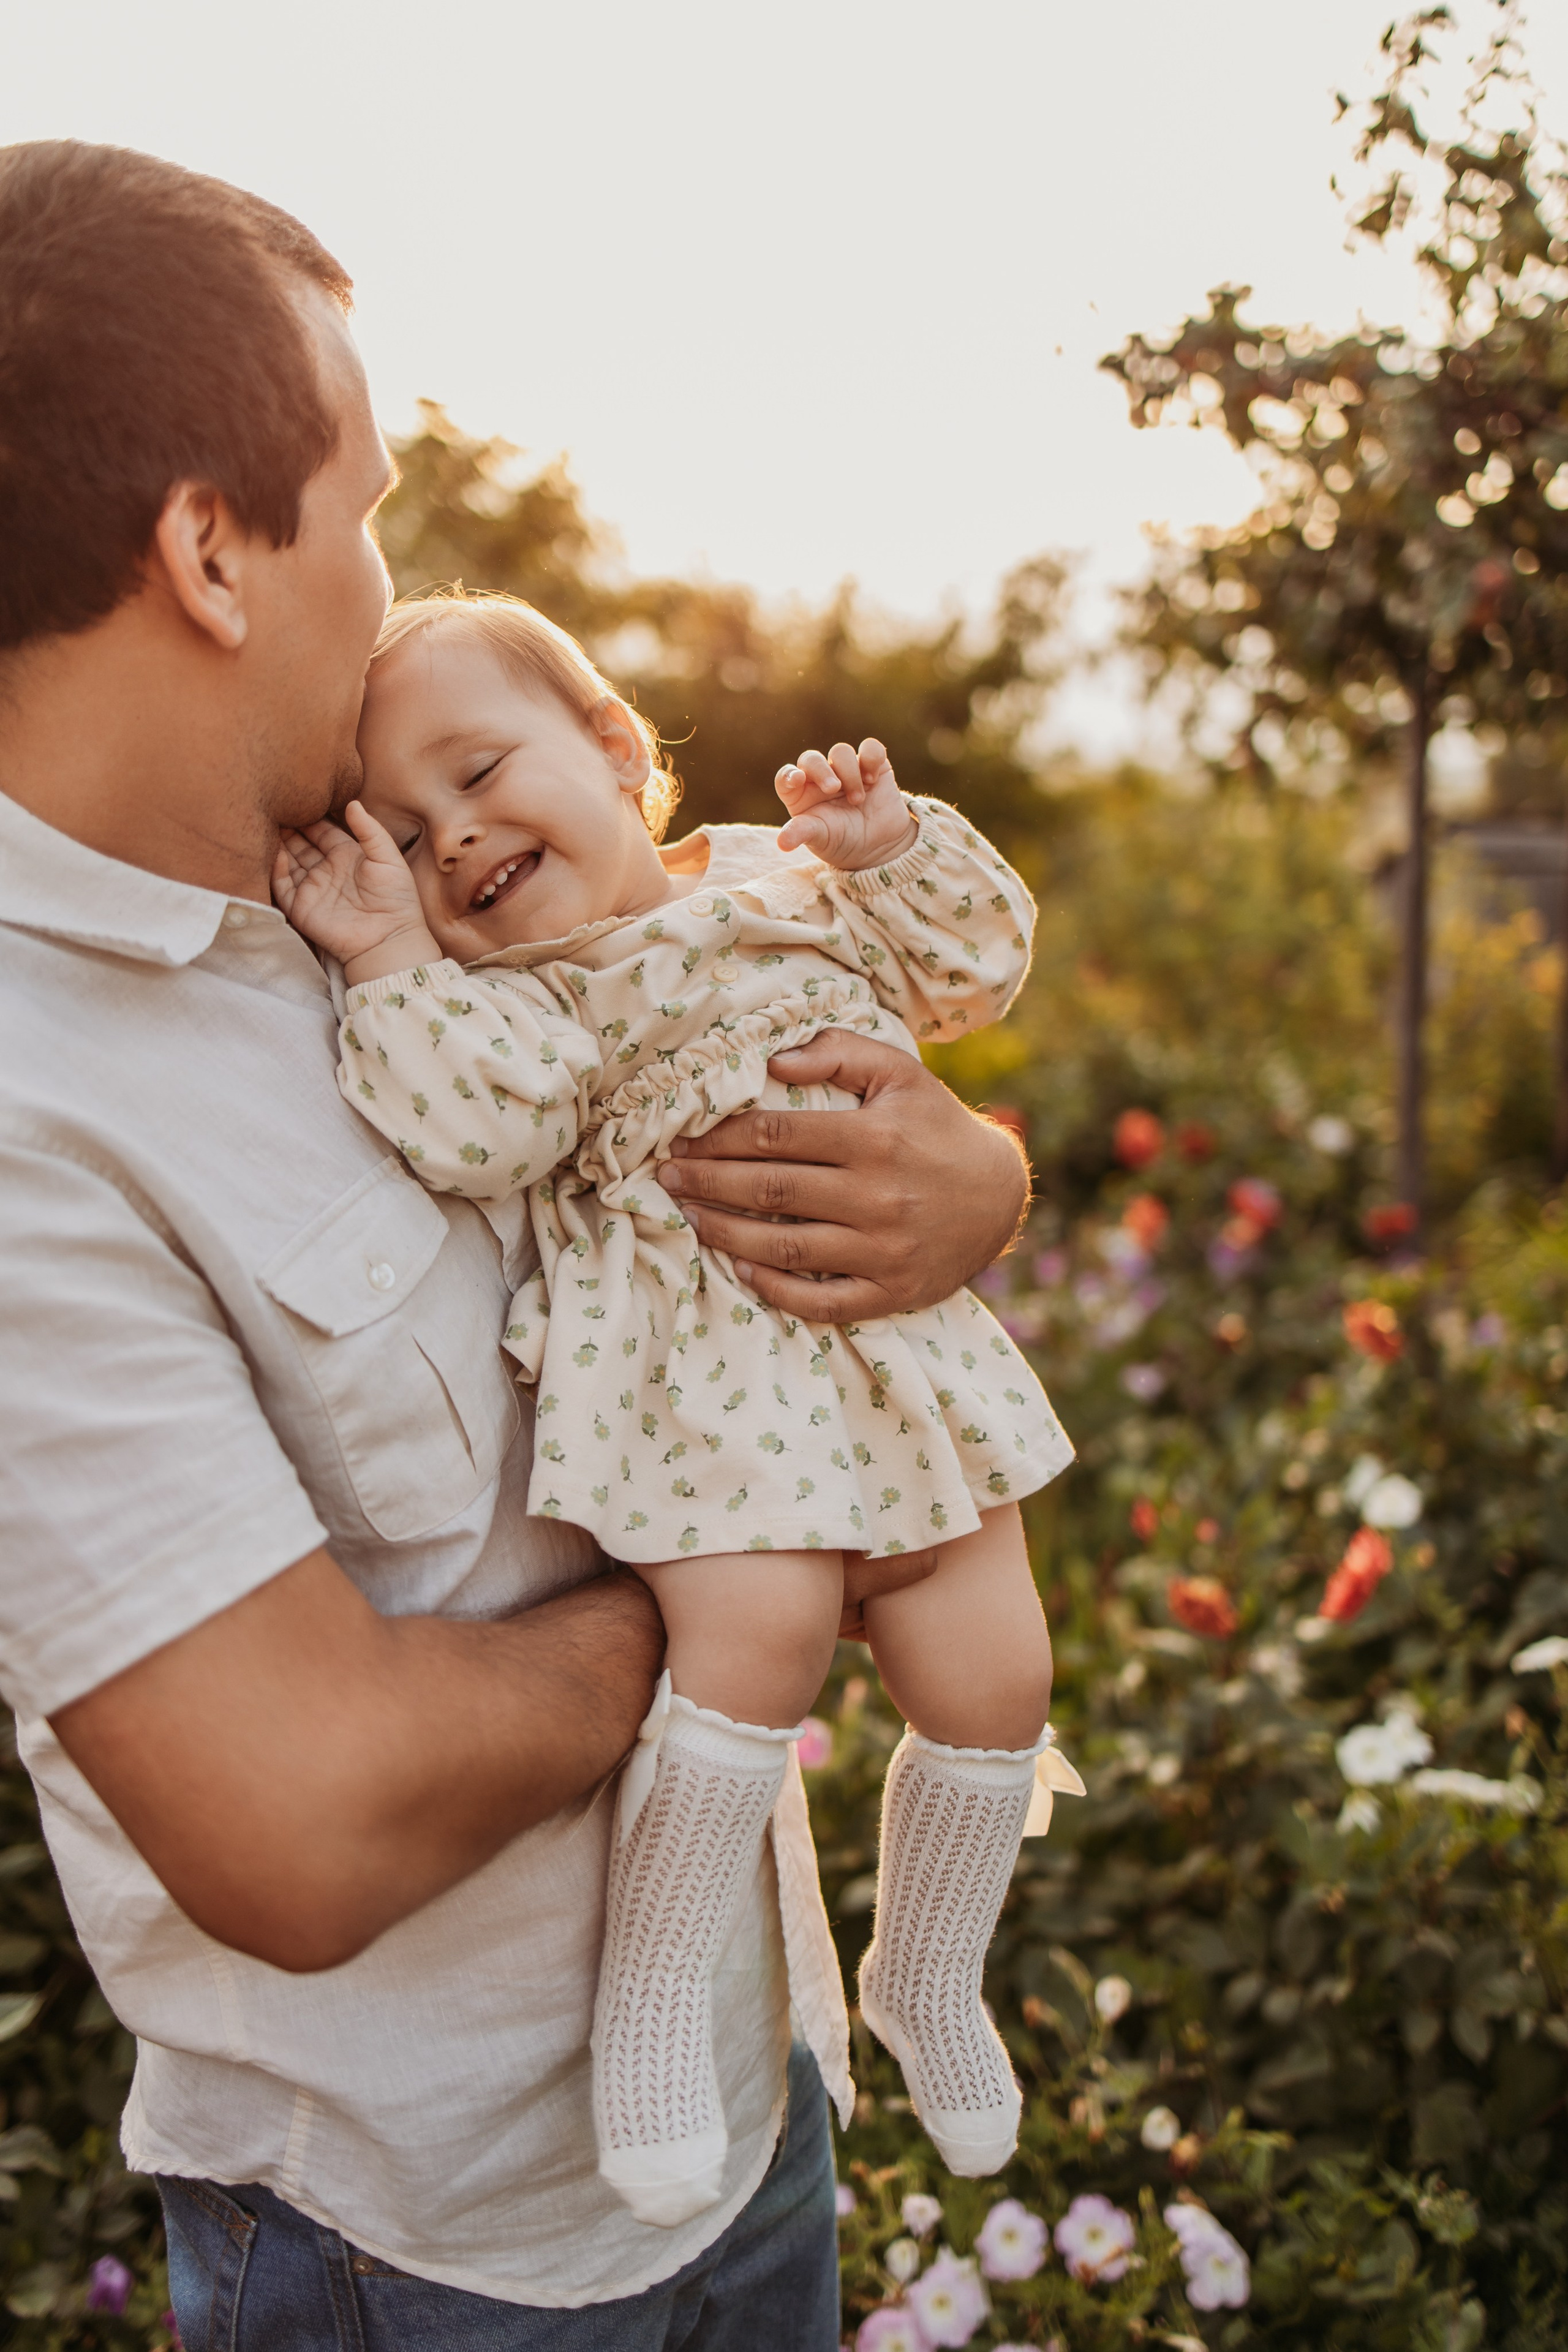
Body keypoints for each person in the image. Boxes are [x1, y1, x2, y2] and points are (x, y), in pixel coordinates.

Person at [0, 139, 1034, 2346]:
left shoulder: (385, 882)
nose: (390, 584)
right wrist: (777, 1570)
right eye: (363, 515)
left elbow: (738, 1070)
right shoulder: (32, 1104)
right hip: (432, 2250)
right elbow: (300, 1818)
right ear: (208, 549)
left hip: (749, 2116)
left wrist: (965, 1185)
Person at [271, 592, 1076, 2227]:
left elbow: (975, 967)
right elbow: (469, 1127)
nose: (457, 837)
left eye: (482, 771)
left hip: (891, 1357)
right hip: (712, 1406)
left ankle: (926, 1975)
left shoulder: (788, 885)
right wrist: (391, 954)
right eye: (410, 837)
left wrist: (889, 841)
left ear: (617, 746)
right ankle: (646, 2012)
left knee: (1000, 1668)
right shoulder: (538, 1008)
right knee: (757, 1640)